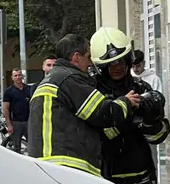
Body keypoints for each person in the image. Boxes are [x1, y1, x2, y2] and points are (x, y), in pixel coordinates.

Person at [27, 34, 140, 176]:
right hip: (68, 167)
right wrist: (126, 101)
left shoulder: (51, 80)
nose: (90, 63)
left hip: (47, 167)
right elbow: (103, 113)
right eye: (88, 56)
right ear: (76, 57)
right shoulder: (70, 79)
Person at [90, 27, 170, 184]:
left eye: (120, 61)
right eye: (111, 64)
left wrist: (150, 120)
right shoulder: (92, 92)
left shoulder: (141, 88)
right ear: (101, 67)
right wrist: (124, 116)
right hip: (105, 179)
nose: (117, 67)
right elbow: (92, 135)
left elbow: (158, 137)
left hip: (139, 177)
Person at [132, 49, 163, 172]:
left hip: (147, 122)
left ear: (144, 63)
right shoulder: (128, 78)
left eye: (138, 66)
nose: (136, 69)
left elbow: (158, 99)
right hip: (133, 123)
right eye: (133, 66)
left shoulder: (153, 78)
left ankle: (153, 181)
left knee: (150, 153)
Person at [2, 69, 31, 153]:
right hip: (15, 123)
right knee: (16, 147)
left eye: (19, 75)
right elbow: (5, 108)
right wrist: (9, 124)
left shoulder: (29, 89)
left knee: (33, 145)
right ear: (12, 78)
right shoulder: (8, 91)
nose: (18, 77)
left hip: (28, 122)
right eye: (15, 75)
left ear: (22, 76)